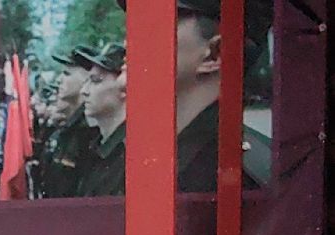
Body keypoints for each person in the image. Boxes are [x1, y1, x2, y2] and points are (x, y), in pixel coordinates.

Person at [113, 0, 273, 193]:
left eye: (153, 23)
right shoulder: (167, 158)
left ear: (215, 55)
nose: (126, 42)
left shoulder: (224, 179)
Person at [74, 44, 128, 198]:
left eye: (96, 81)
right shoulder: (95, 145)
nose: (84, 91)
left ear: (124, 85)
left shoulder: (131, 154)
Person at [34, 59, 92, 197]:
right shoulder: (65, 128)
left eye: (67, 74)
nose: (59, 80)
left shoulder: (88, 131)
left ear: (85, 80)